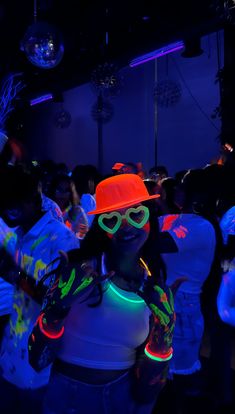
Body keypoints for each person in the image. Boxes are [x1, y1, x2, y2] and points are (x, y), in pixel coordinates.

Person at [28, 173, 182, 414]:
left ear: (149, 217)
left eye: (136, 214)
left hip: (124, 395)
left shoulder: (152, 282)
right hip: (70, 399)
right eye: (112, 220)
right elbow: (37, 360)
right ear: (101, 227)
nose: (127, 226)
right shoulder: (80, 274)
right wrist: (58, 306)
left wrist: (165, 328)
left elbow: (147, 391)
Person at [0, 165, 80, 414]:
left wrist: (14, 274)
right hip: (12, 351)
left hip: (40, 365)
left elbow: (61, 301)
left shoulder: (62, 240)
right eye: (4, 206)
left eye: (14, 204)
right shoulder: (17, 234)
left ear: (34, 200)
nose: (8, 212)